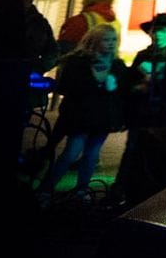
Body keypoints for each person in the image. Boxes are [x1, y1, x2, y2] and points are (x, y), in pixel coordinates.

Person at [38, 22, 126, 197]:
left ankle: (81, 190)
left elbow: (123, 91)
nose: (111, 43)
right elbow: (66, 87)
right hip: (81, 116)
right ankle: (46, 190)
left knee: (92, 154)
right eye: (106, 40)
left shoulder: (117, 64)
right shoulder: (78, 62)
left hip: (102, 118)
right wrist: (97, 84)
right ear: (95, 41)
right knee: (71, 153)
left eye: (113, 40)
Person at [124, 13, 166, 129]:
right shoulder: (143, 55)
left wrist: (154, 81)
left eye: (164, 31)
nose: (158, 35)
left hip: (164, 111)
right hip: (140, 111)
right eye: (155, 31)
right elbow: (130, 80)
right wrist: (137, 87)